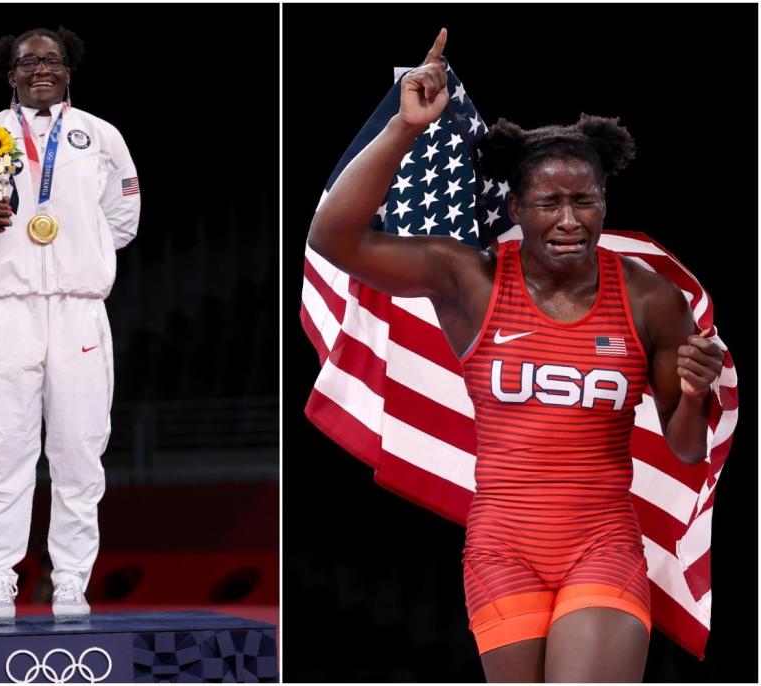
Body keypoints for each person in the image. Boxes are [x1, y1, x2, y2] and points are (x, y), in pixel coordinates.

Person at [306, 27, 724, 682]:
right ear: (516, 208)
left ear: (603, 203)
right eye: (549, 203)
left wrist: (696, 395)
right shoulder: (468, 279)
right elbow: (333, 238)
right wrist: (403, 131)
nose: (568, 219)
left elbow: (688, 448)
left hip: (603, 547)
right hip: (501, 551)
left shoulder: (651, 300)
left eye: (584, 201)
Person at [0, 26, 140, 625]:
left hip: (79, 306)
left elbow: (124, 215)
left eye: (53, 60)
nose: (42, 69)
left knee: (79, 449)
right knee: (2, 451)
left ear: (69, 70)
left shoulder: (100, 136)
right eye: (29, 63)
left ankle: (72, 581)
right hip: (8, 308)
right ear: (12, 74)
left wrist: (81, 249)